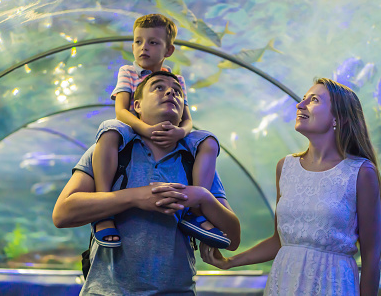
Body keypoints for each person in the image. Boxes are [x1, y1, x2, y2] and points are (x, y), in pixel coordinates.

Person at [52, 71, 241, 295]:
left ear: (183, 113)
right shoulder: (111, 151)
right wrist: (135, 197)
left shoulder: (195, 162)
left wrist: (202, 196)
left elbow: (233, 239)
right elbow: (62, 214)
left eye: (177, 92)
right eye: (158, 87)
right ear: (137, 106)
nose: (170, 91)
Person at [200, 78, 381, 296]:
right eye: (302, 99)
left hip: (333, 285)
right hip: (284, 283)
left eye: (314, 100)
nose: (300, 105)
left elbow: (372, 256)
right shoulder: (285, 167)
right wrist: (229, 262)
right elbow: (280, 240)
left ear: (339, 118)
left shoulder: (361, 172)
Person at [92, 13, 221, 246]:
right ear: (132, 45)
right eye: (139, 42)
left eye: (153, 42)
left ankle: (195, 208)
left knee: (207, 141)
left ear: (168, 50)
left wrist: (181, 133)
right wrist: (144, 129)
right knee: (109, 129)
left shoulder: (176, 80)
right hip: (134, 127)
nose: (144, 48)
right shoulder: (128, 72)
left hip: (170, 133)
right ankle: (103, 208)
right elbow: (121, 110)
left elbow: (188, 119)